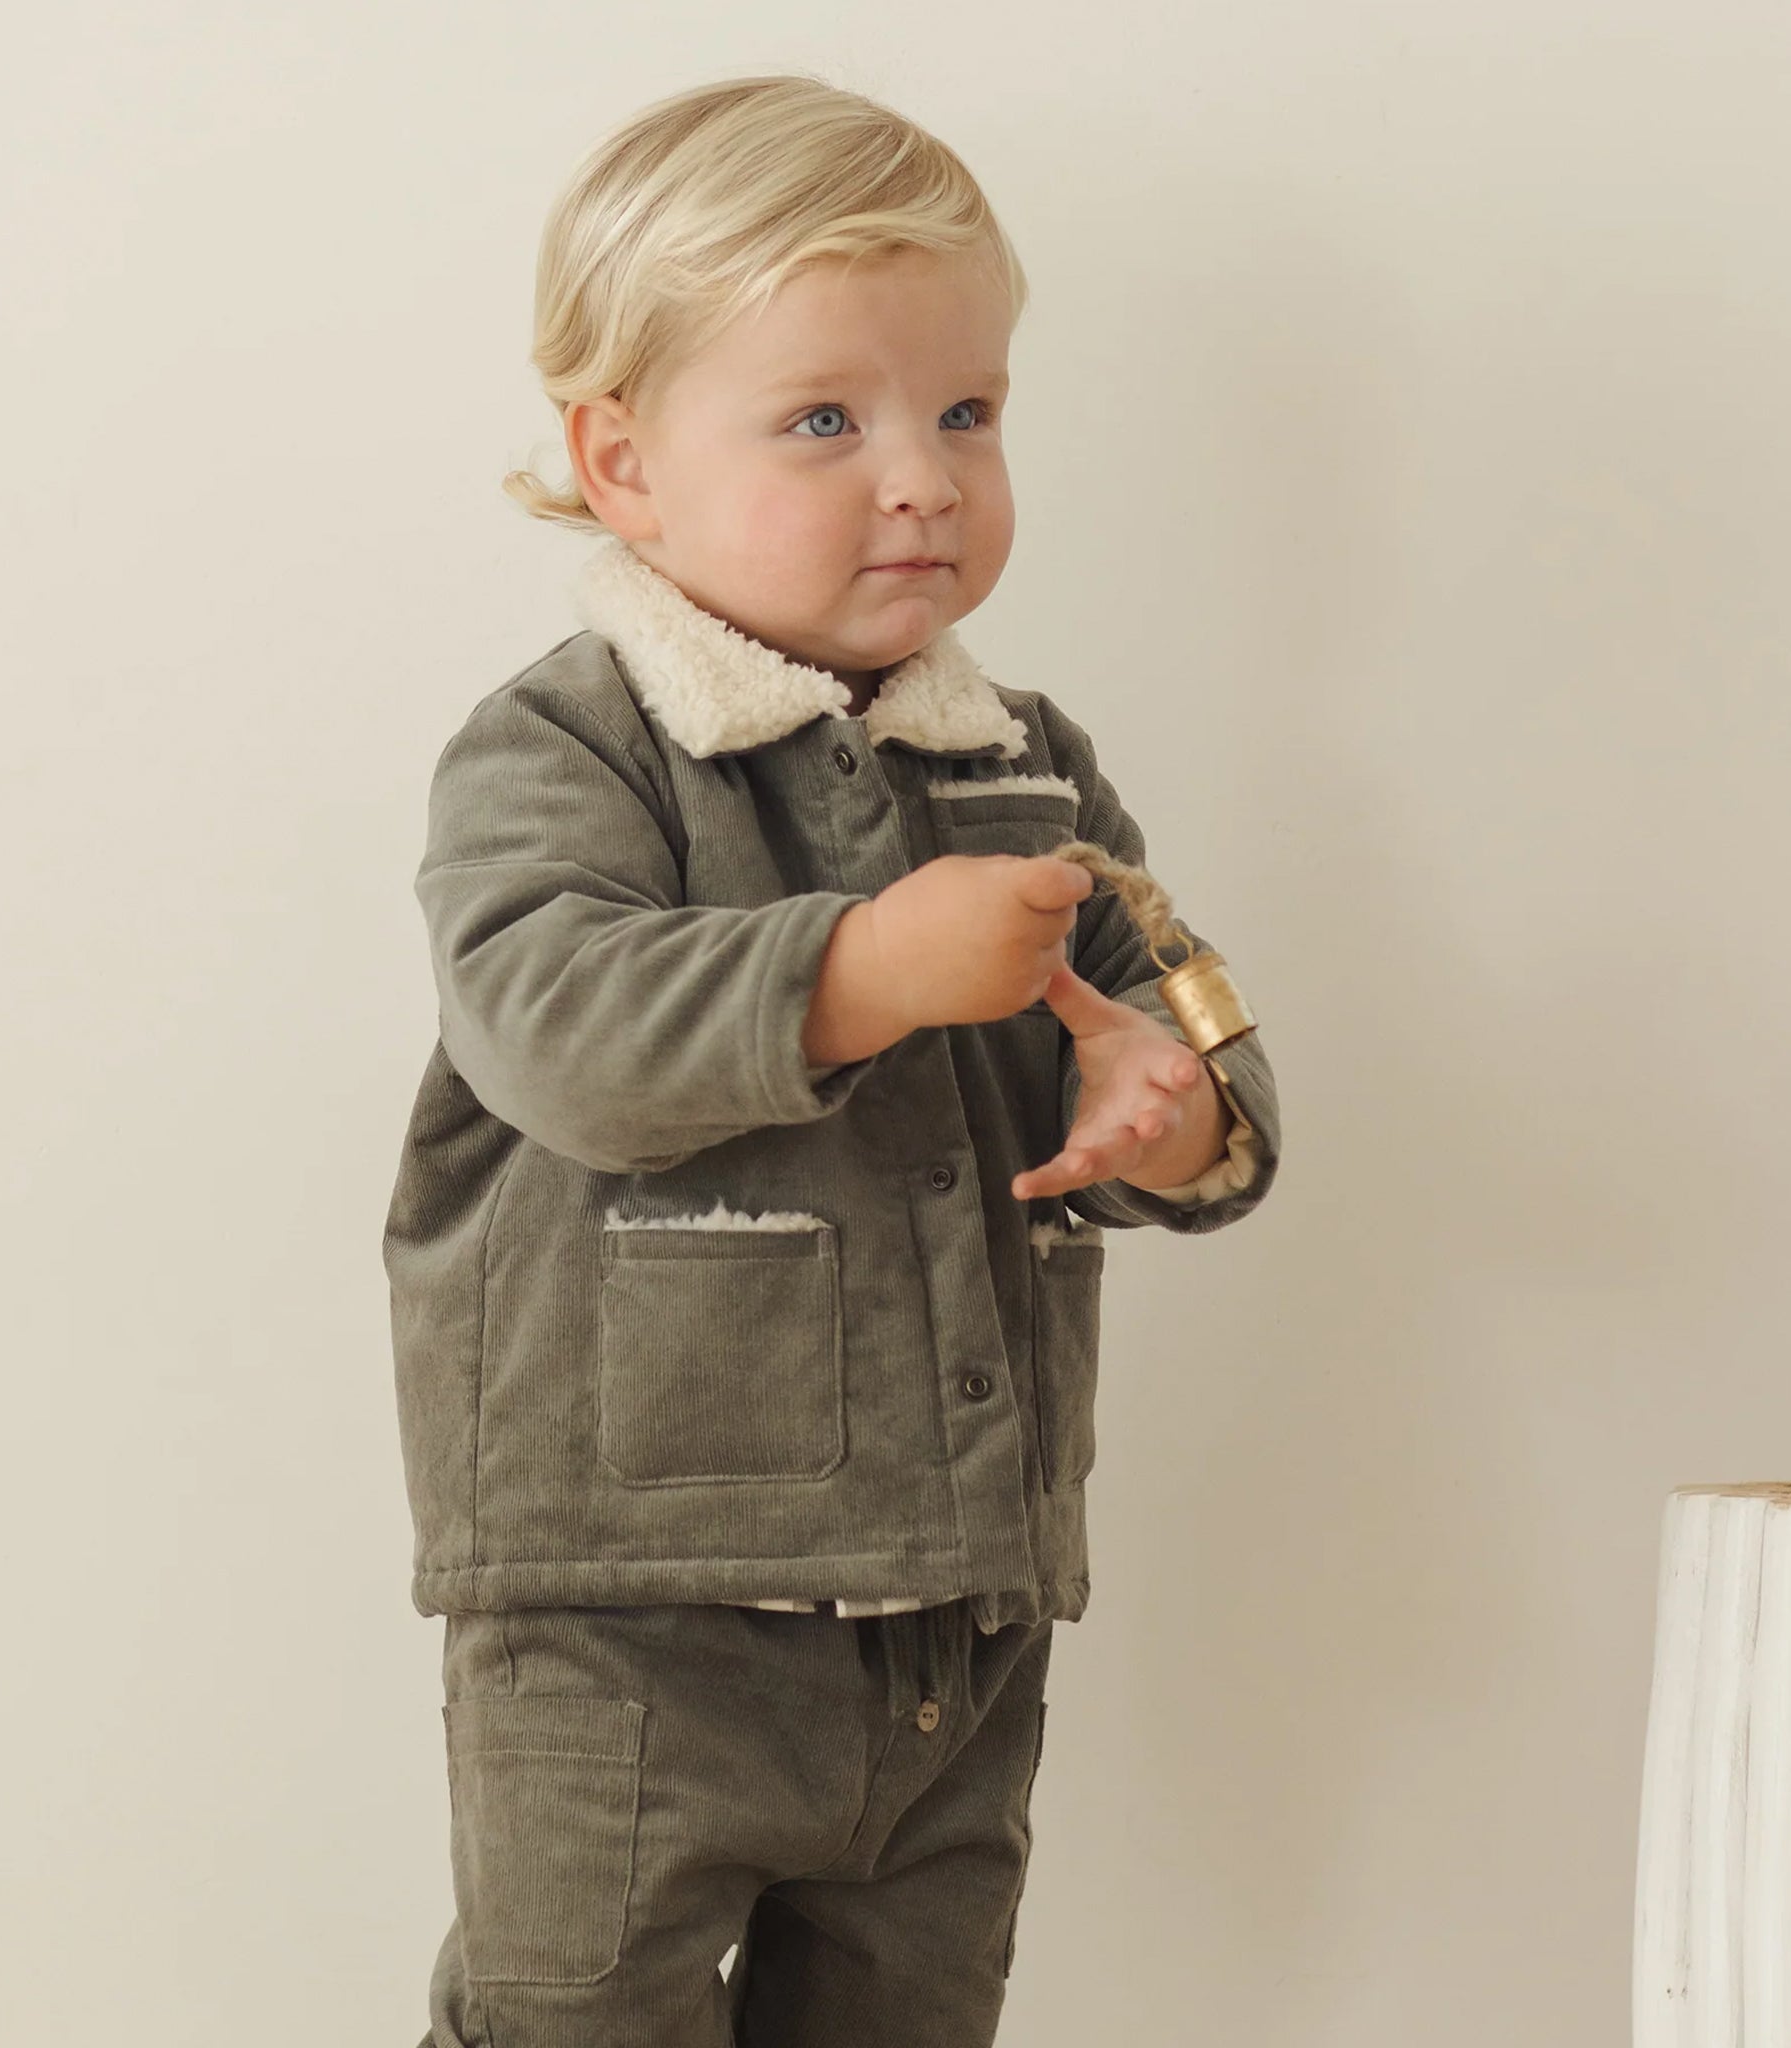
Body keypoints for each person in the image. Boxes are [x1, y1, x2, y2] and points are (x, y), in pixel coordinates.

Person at [381, 72, 1281, 2048]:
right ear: (621, 463)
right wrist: (862, 963)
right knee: (568, 2014)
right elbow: (549, 1022)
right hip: (629, 1609)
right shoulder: (575, 747)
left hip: (956, 1611)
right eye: (825, 419)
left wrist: (1178, 1111)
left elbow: (1157, 1014)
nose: (922, 478)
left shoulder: (1017, 762)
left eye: (966, 412)